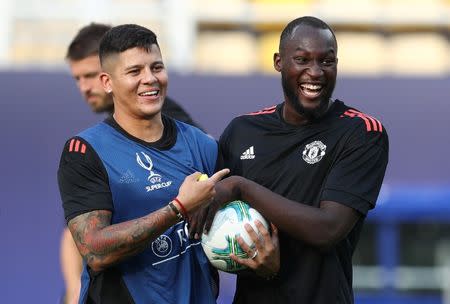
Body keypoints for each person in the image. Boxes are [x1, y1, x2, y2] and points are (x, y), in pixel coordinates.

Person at [192, 16, 389, 303]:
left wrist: (241, 187)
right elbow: (212, 223)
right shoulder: (242, 131)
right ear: (278, 62)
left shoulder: (361, 132)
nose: (316, 72)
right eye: (302, 59)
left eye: (327, 61)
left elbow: (329, 228)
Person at [58, 23, 229, 304]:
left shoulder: (202, 144)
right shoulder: (84, 151)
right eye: (134, 71)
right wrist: (179, 209)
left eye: (157, 67)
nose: (150, 78)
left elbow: (231, 214)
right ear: (107, 82)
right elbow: (95, 251)